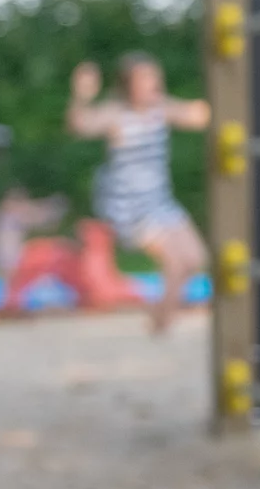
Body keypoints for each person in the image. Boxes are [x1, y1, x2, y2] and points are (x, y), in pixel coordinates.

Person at [66, 53, 209, 334]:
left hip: (160, 201)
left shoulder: (161, 109)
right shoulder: (116, 114)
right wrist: (81, 95)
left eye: (155, 77)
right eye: (144, 78)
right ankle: (161, 325)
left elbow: (198, 115)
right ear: (128, 85)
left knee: (196, 258)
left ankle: (159, 315)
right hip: (131, 208)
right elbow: (80, 125)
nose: (153, 83)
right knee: (176, 262)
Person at [0, 189, 67, 279]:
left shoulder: (5, 213)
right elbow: (35, 214)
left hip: (5, 259)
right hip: (8, 259)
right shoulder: (10, 213)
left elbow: (37, 216)